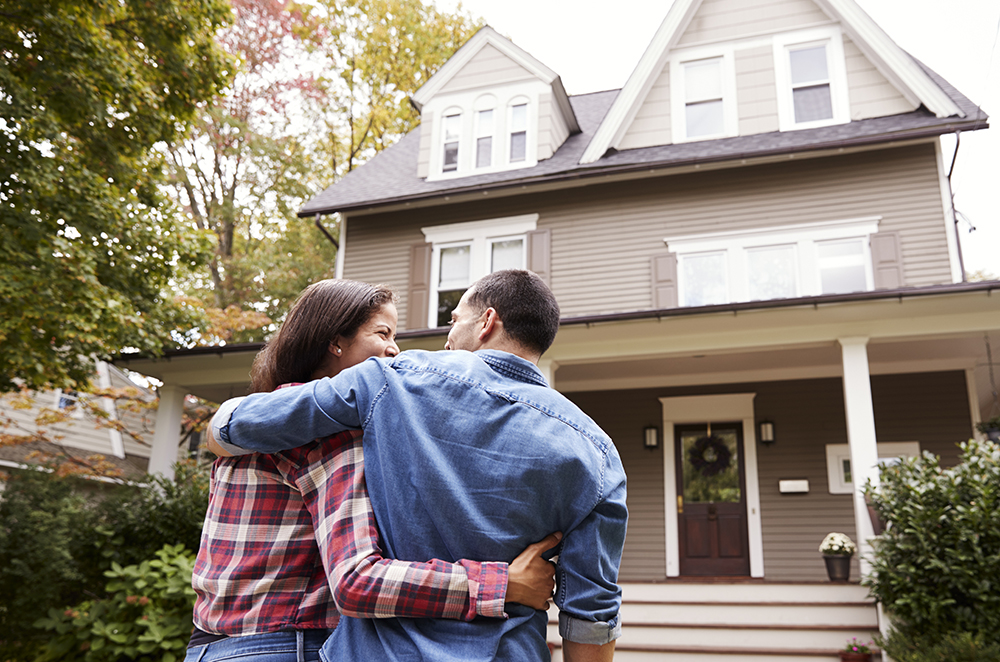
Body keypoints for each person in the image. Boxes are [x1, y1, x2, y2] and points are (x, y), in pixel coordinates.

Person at [210, 270, 628, 662]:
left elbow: (244, 422)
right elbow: (591, 612)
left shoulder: (391, 379)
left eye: (453, 321)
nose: (446, 339)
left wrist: (220, 428)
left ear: (486, 322)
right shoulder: (598, 452)